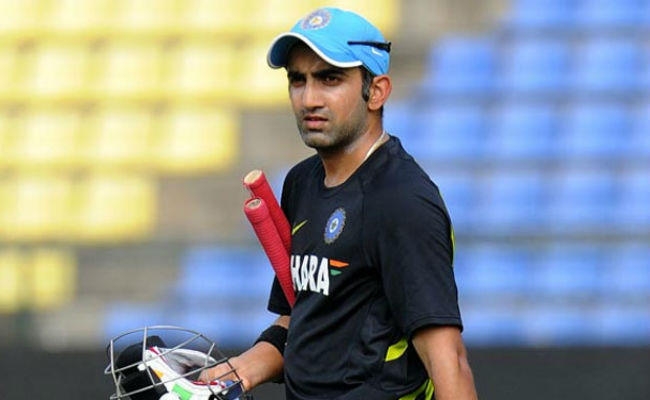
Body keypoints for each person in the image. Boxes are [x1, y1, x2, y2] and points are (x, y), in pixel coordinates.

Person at [202, 7, 478, 400]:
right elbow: (302, 316)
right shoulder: (301, 182)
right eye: (298, 80)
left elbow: (448, 360)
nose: (309, 98)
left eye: (330, 78)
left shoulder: (403, 200)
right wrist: (232, 374)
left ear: (377, 91)